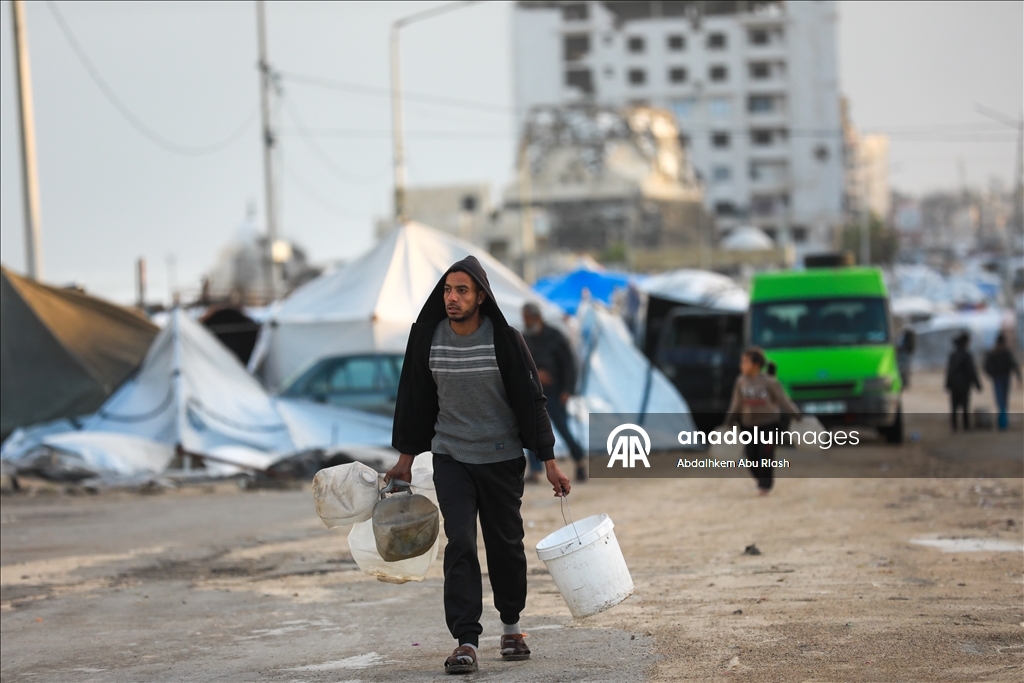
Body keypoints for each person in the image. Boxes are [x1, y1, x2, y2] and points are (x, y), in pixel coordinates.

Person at [386, 256, 571, 675]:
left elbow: (533, 402)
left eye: (462, 291)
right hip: (451, 456)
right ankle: (466, 641)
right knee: (462, 544)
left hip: (502, 458)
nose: (452, 298)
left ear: (481, 297)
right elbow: (414, 401)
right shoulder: (429, 340)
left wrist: (551, 462)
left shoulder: (504, 340)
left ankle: (511, 627)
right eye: (448, 290)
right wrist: (405, 460)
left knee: (505, 544)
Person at [521, 302, 587, 482]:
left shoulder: (556, 337)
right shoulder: (525, 338)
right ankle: (535, 471)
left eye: (528, 319)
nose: (526, 323)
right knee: (532, 432)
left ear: (537, 318)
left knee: (563, 429)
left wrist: (567, 389)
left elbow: (569, 365)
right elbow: (521, 366)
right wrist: (535, 375)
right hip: (534, 393)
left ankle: (579, 461)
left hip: (555, 392)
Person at [724, 347, 802, 495]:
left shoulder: (769, 382)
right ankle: (761, 479)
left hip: (769, 424)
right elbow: (736, 403)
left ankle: (765, 485)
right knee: (751, 457)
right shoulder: (741, 381)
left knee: (765, 454)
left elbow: (783, 400)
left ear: (756, 365)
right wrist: (730, 419)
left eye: (745, 362)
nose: (742, 365)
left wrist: (795, 415)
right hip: (748, 425)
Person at [983, 332, 1021, 431]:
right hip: (1004, 378)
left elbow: (986, 366)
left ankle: (1002, 422)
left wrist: (992, 374)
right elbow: (1014, 365)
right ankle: (1003, 423)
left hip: (998, 379)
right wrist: (1018, 377)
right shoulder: (1005, 353)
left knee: (1000, 401)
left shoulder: (994, 353)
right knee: (1003, 401)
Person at [945, 331, 982, 431]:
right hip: (964, 385)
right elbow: (971, 371)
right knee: (965, 405)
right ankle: (966, 426)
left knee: (954, 406)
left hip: (954, 385)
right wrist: (977, 384)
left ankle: (954, 426)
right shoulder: (966, 355)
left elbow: (949, 371)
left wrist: (947, 384)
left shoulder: (953, 355)